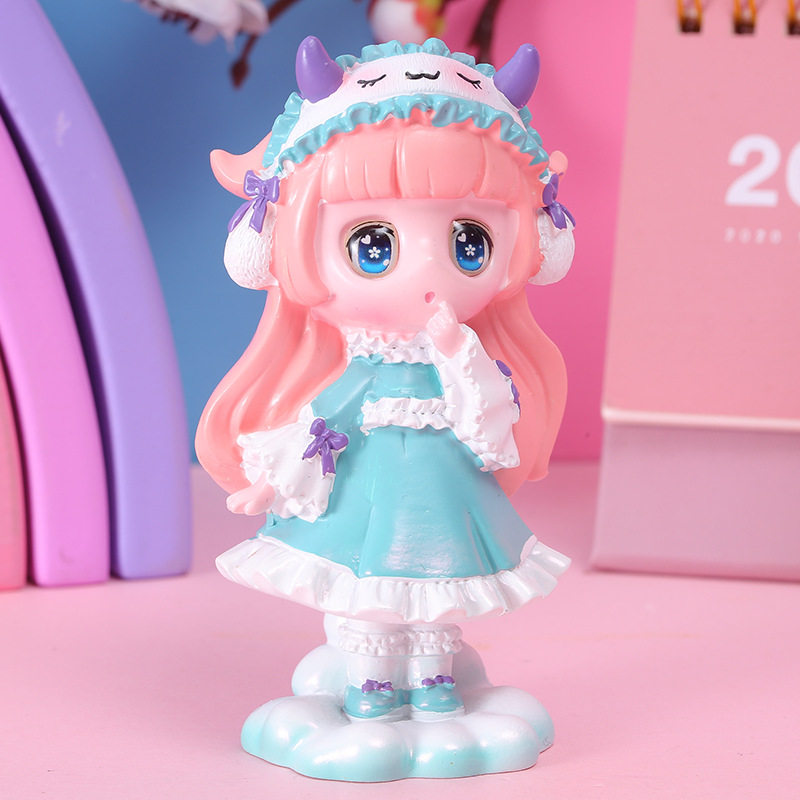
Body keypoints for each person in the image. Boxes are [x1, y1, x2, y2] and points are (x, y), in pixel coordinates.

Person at [196, 35, 575, 775]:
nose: (429, 271)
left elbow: (488, 413)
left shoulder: (464, 361)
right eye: (373, 244)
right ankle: (370, 687)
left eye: (469, 242)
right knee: (368, 594)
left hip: (444, 501)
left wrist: (462, 361)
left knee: (438, 595)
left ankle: (433, 685)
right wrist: (274, 481)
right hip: (368, 504)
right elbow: (322, 422)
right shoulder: (364, 369)